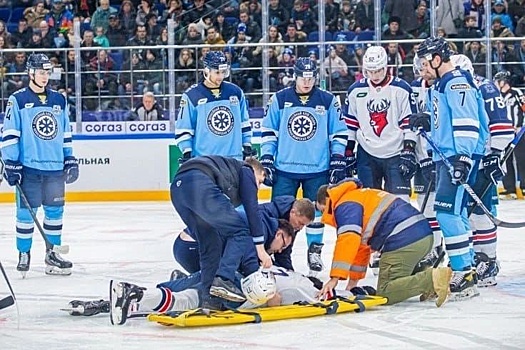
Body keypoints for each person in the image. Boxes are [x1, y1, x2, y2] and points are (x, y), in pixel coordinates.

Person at [409, 37, 489, 300]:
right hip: (448, 155)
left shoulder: (455, 83)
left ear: (436, 58)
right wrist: (428, 121)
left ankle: (463, 271)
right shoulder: (442, 85)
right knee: (455, 213)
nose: (422, 68)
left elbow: (467, 122)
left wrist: (463, 158)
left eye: (424, 62)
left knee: (445, 213)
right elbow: (448, 121)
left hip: (457, 156)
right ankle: (466, 269)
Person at [260, 57, 347, 275]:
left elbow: (339, 132)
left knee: (317, 213)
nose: (307, 82)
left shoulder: (327, 100)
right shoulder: (279, 99)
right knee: (279, 215)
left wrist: (337, 157)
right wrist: (267, 159)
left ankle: (314, 252)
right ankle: (275, 251)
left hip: (317, 168)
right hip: (284, 169)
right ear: (295, 76)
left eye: (310, 77)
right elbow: (269, 132)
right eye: (302, 77)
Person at [65, 265, 377, 325]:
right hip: (245, 291)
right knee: (190, 299)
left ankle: (132, 300)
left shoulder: (296, 277)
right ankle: (135, 298)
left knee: (187, 295)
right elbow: (279, 301)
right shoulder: (304, 287)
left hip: (236, 279)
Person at [0, 53, 79, 277]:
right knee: (26, 214)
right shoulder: (18, 100)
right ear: (31, 73)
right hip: (29, 168)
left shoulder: (59, 100)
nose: (45, 77)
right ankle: (23, 254)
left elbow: (65, 132)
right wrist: (11, 162)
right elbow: (10, 133)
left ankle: (52, 254)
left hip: (54, 169)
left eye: (48, 73)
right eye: (42, 72)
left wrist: (69, 158)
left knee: (55, 213)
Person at [316, 179, 452, 307]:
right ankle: (426, 276)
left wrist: (334, 279)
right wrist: (352, 284)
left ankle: (433, 279)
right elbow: (360, 248)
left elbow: (348, 241)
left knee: (385, 291)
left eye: (322, 210)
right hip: (422, 237)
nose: (324, 215)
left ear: (327, 200)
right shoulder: (357, 196)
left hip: (402, 240)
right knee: (398, 278)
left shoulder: (344, 205)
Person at [449, 55, 515, 288]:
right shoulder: (457, 88)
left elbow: (501, 127)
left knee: (482, 212)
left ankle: (488, 260)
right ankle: (474, 256)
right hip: (469, 158)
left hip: (485, 159)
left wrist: (494, 155)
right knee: (466, 211)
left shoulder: (485, 87)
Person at [170, 155, 270, 306]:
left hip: (178, 189)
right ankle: (223, 279)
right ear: (256, 170)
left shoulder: (229, 171)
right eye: (261, 181)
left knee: (210, 243)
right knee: (241, 231)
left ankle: (209, 299)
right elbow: (252, 209)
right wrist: (260, 249)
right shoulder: (247, 170)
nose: (258, 187)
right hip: (200, 181)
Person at [172, 196, 315, 274]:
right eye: (300, 223)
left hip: (188, 243)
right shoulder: (263, 221)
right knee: (226, 281)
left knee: (223, 277)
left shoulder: (285, 227)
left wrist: (289, 273)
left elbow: (281, 254)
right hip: (193, 246)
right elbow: (249, 258)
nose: (300, 228)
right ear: (293, 212)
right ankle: (178, 287)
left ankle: (182, 281)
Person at [174, 51, 255, 162]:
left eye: (223, 72)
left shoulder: (235, 92)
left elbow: (244, 123)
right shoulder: (192, 96)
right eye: (217, 72)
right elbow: (184, 128)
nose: (221, 76)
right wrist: (187, 151)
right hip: (205, 161)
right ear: (207, 71)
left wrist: (247, 145)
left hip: (234, 159)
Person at [492, 71, 525, 200]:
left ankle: (523, 186)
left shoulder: (516, 93)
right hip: (506, 133)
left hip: (519, 132)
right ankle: (509, 188)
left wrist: (520, 125)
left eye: (497, 81)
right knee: (506, 160)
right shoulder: (497, 96)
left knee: (522, 160)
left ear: (503, 81)